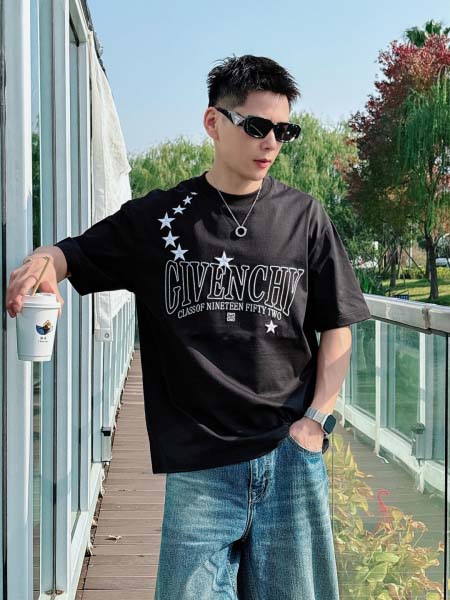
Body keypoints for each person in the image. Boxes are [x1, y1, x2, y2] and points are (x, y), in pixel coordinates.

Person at [6, 54, 371, 599]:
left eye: (284, 131)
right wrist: (42, 262)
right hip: (201, 467)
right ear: (213, 123)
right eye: (257, 126)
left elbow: (338, 324)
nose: (271, 142)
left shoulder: (304, 217)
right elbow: (74, 255)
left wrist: (315, 422)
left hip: (290, 456)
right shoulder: (160, 218)